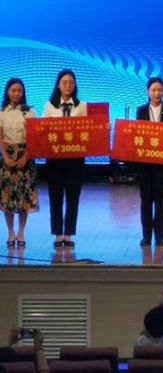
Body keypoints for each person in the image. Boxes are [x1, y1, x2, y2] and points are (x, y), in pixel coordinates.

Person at [42, 69, 88, 249]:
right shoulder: (50, 106)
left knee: (73, 196)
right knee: (55, 196)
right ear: (58, 85)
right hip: (55, 159)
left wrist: (103, 127)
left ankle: (68, 233)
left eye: (71, 82)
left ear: (75, 85)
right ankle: (57, 233)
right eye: (64, 82)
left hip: (75, 159)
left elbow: (89, 129)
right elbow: (43, 131)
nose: (68, 85)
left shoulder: (82, 106)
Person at [135, 77, 163, 247]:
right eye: (153, 90)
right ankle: (146, 236)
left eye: (160, 90)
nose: (157, 93)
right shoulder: (141, 111)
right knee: (145, 199)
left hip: (162, 163)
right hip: (145, 163)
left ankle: (160, 237)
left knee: (160, 200)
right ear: (148, 92)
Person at [1, 78, 38, 249]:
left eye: (19, 91)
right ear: (7, 92)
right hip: (7, 156)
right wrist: (6, 157)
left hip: (26, 155)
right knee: (7, 196)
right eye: (13, 90)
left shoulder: (29, 112)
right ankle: (10, 232)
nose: (16, 93)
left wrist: (26, 157)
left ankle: (21, 232)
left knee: (24, 196)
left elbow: (34, 136)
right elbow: (0, 137)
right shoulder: (2, 112)